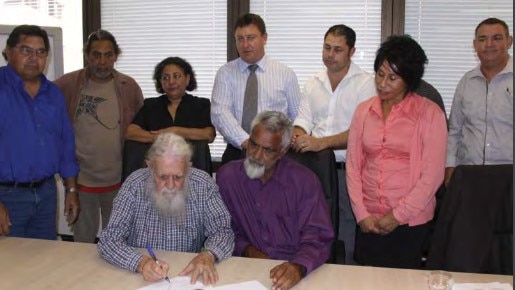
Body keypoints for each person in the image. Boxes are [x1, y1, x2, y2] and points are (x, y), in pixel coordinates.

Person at [346, 35, 447, 268]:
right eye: (380, 75)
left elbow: (432, 177)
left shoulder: (430, 114)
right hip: (368, 221)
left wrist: (397, 216)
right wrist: (361, 214)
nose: (383, 84)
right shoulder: (363, 111)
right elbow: (353, 166)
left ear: (409, 79)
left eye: (392, 78)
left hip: (409, 224)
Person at [217, 111, 334, 290]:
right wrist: (248, 250)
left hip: (296, 269)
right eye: (253, 145)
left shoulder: (305, 182)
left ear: (283, 151)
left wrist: (298, 266)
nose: (256, 155)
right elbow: (225, 229)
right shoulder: (228, 177)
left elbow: (318, 237)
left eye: (268, 150)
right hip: (246, 269)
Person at [98, 133, 234, 284]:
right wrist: (140, 263)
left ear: (188, 167)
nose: (170, 186)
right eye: (162, 177)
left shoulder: (203, 185)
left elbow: (223, 231)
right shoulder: (134, 185)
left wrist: (208, 254)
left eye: (178, 177)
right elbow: (109, 239)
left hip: (187, 275)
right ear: (150, 167)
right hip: (139, 278)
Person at [291, 24, 376, 264]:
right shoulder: (313, 81)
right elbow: (303, 119)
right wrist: (297, 134)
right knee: (313, 224)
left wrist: (321, 143)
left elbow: (362, 131)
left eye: (338, 49)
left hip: (347, 169)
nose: (330, 54)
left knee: (347, 227)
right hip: (314, 168)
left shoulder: (365, 83)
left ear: (351, 51)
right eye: (327, 47)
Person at [54, 29, 144, 243]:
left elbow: (142, 128)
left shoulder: (128, 86)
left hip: (118, 183)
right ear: (87, 55)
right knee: (82, 245)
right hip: (81, 183)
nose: (102, 61)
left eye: (108, 55)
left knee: (118, 243)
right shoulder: (68, 84)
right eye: (96, 54)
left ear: (115, 56)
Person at [0, 25, 79, 239]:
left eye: (41, 52)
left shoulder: (53, 93)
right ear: (8, 52)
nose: (34, 58)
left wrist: (71, 190)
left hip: (46, 193)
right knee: (9, 265)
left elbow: (65, 143)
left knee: (43, 261)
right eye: (26, 50)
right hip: (7, 195)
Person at [211, 13, 301, 164]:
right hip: (237, 150)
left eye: (251, 38)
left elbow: (297, 117)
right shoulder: (225, 73)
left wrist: (277, 144)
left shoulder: (285, 74)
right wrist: (248, 142)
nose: (245, 45)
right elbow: (220, 113)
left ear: (264, 38)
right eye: (240, 39)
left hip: (274, 153)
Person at [445, 17, 513, 186]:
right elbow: (455, 130)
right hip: (470, 174)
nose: (489, 44)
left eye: (497, 38)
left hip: (509, 176)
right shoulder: (466, 82)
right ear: (475, 45)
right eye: (482, 39)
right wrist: (450, 165)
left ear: (509, 41)